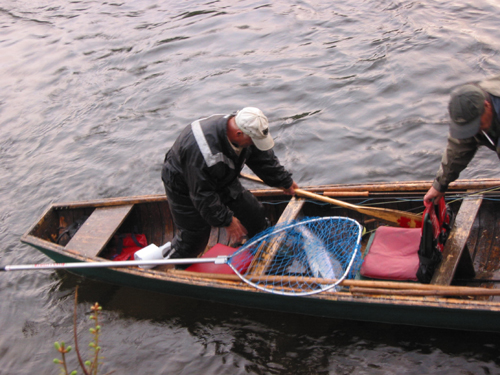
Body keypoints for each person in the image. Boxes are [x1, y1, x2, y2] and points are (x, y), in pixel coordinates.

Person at [161, 107, 299, 260]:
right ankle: (173, 265)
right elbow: (203, 195)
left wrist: (284, 181)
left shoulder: (247, 132)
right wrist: (227, 221)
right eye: (253, 141)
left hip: (222, 174)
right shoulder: (202, 152)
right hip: (185, 184)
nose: (254, 144)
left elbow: (262, 159)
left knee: (254, 213)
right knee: (195, 237)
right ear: (239, 134)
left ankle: (262, 245)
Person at [424, 75, 500, 204]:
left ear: (487, 106)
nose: (475, 132)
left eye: (477, 126)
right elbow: (458, 149)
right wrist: (440, 185)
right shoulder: (470, 109)